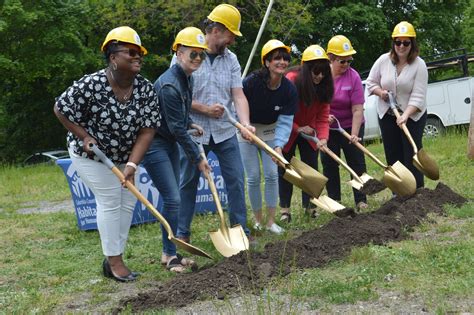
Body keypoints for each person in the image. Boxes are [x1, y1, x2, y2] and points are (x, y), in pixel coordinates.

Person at [54, 26, 161, 281]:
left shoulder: (145, 89)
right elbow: (60, 108)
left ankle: (113, 255)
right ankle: (115, 262)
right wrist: (85, 136)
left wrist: (132, 165)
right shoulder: (91, 84)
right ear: (113, 57)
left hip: (125, 154)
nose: (138, 57)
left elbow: (148, 130)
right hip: (91, 155)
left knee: (129, 200)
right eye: (131, 52)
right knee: (111, 199)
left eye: (140, 53)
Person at [176, 4, 255, 243]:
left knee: (236, 180)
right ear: (218, 30)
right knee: (188, 182)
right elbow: (174, 94)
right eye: (231, 34)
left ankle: (240, 230)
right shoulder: (187, 53)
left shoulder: (231, 60)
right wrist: (205, 109)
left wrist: (245, 123)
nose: (232, 40)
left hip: (224, 132)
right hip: (193, 132)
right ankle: (182, 234)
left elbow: (238, 95)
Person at [143, 27, 211, 272]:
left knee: (174, 199)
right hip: (154, 144)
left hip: (168, 139)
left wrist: (190, 122)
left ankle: (169, 253)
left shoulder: (187, 78)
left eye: (201, 55)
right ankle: (169, 255)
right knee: (173, 198)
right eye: (193, 54)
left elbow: (178, 118)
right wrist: (198, 159)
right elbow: (177, 130)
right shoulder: (170, 85)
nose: (198, 60)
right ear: (179, 53)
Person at [239, 39, 297, 234]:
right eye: (276, 59)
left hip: (271, 131)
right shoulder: (251, 82)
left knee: (272, 175)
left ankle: (271, 221)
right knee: (254, 176)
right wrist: (243, 126)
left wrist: (279, 145)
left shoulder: (289, 89)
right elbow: (237, 103)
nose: (281, 62)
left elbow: (285, 122)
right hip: (247, 130)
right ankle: (257, 220)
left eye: (285, 58)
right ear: (266, 62)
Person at [366, 21, 428, 189]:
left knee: (411, 153)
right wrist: (382, 93)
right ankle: (398, 190)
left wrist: (406, 115)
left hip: (413, 116)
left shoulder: (419, 65)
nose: (401, 46)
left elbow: (418, 96)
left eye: (406, 42)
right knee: (393, 153)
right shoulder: (382, 61)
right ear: (393, 43)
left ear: (412, 44)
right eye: (398, 42)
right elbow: (371, 83)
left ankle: (418, 191)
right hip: (387, 114)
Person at [279, 45, 333, 223]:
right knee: (285, 169)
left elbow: (323, 116)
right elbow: (282, 112)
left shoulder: (324, 86)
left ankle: (310, 207)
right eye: (315, 72)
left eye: (323, 72)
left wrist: (323, 139)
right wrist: (297, 128)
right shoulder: (292, 80)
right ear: (305, 69)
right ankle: (285, 210)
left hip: (309, 130)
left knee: (310, 168)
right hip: (288, 128)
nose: (319, 76)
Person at [321, 35, 368, 210]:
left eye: (349, 61)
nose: (346, 65)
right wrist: (324, 118)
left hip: (351, 124)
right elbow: (317, 104)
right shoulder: (322, 77)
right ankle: (335, 201)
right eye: (342, 61)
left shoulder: (353, 77)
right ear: (331, 59)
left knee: (356, 162)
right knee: (330, 163)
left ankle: (361, 199)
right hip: (328, 126)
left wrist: (354, 135)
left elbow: (357, 109)